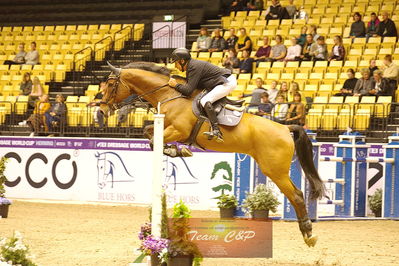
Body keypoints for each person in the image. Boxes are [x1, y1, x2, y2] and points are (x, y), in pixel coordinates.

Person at [168, 47, 236, 142]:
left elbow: (188, 90)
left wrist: (176, 85)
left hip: (226, 82)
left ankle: (216, 130)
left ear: (182, 61)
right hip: (218, 82)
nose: (175, 66)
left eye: (176, 63)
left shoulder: (193, 67)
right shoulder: (191, 66)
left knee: (205, 101)